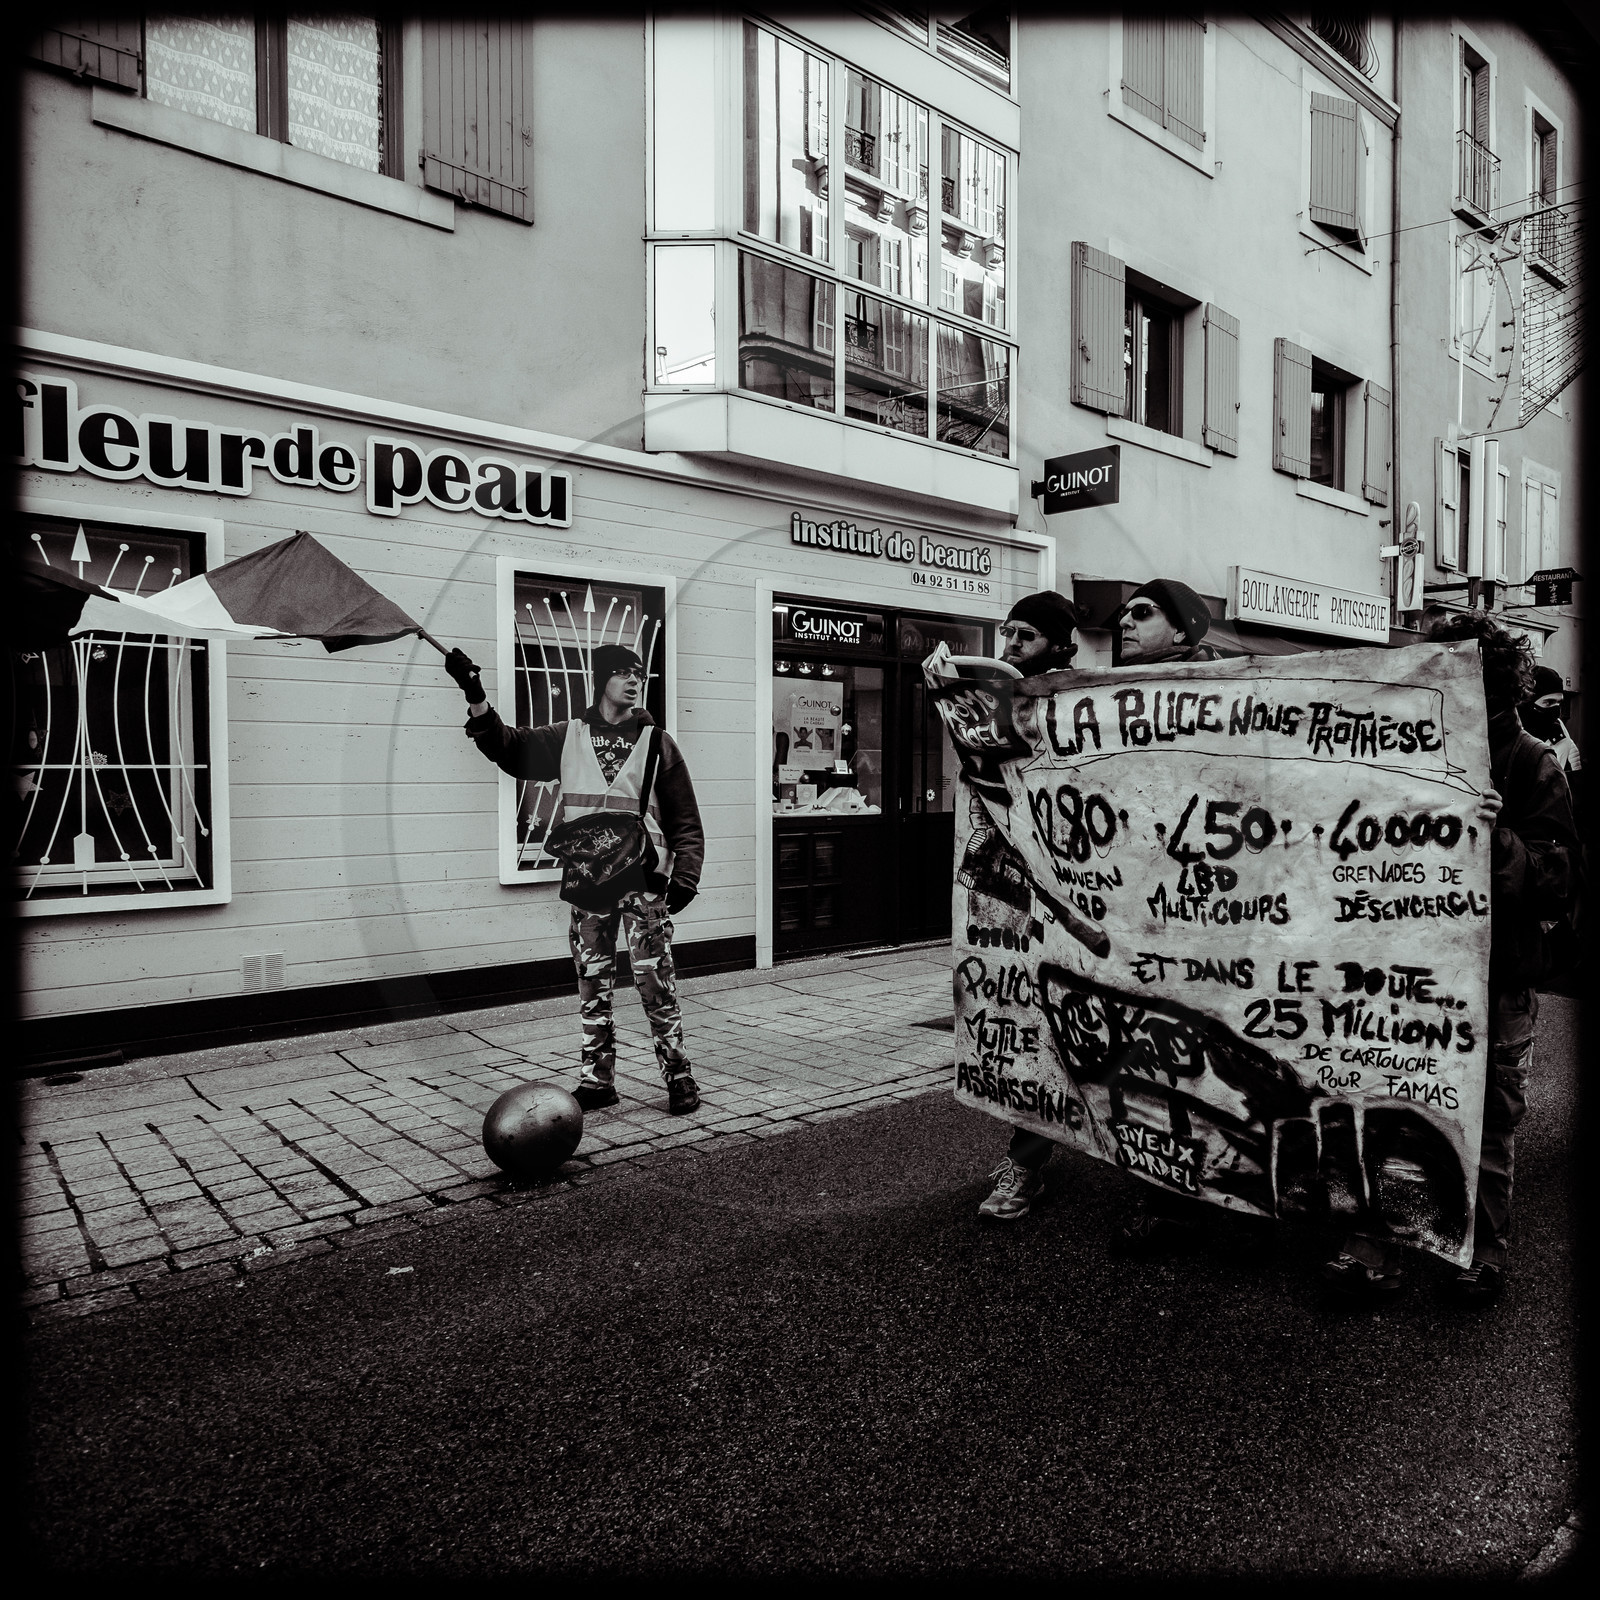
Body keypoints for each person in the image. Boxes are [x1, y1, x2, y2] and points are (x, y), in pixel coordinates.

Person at [1322, 613, 1577, 1305]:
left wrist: (1494, 838)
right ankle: (1369, 1244)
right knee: (1381, 1107)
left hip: (1495, 981)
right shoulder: (1395, 753)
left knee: (1488, 1118)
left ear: (1489, 684)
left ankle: (1479, 1252)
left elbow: (1557, 881)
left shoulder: (1531, 763)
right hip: (1398, 979)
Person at [443, 642, 707, 1116]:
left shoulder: (658, 742)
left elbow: (685, 818)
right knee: (593, 982)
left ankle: (679, 1074)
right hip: (588, 883)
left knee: (656, 982)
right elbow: (511, 749)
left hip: (643, 883)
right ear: (601, 679)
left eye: (639, 674)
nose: (634, 681)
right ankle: (597, 1080)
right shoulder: (568, 735)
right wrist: (475, 693)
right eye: (623, 673)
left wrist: (685, 875)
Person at [937, 591, 1082, 1221]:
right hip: (1007, 892)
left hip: (1081, 895)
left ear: (1058, 643)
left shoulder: (1082, 699)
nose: (1013, 642)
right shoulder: (994, 695)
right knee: (1028, 1028)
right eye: (1008, 631)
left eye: (1027, 634)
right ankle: (1025, 1161)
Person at [1112, 577, 1221, 667]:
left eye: (1141, 611)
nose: (1123, 621)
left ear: (1180, 632)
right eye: (1123, 613)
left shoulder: (1211, 682)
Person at [1521, 664, 1582, 808]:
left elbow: (1572, 797)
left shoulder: (1563, 740)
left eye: (1559, 703)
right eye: (1548, 702)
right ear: (1528, 703)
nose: (1555, 710)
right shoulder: (1514, 738)